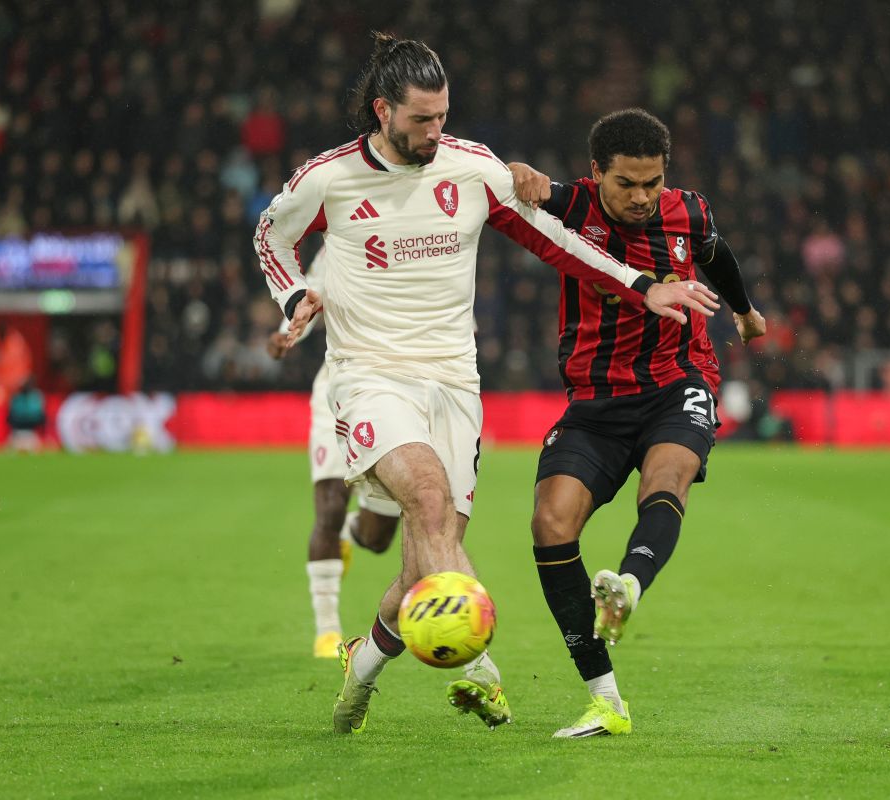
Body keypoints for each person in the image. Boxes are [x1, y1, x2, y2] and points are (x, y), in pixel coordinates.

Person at [254, 34, 715, 735]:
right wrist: (293, 296)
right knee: (428, 498)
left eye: (443, 116)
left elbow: (555, 239)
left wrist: (641, 284)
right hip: (370, 374)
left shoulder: (471, 168)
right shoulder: (329, 178)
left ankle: (362, 666)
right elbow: (270, 236)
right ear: (382, 111)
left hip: (454, 384)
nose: (435, 132)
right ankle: (481, 671)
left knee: (427, 558)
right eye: (421, 120)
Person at [508, 108, 766, 737]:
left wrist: (744, 310)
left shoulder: (688, 211)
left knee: (667, 478)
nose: (643, 197)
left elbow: (716, 252)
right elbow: (509, 188)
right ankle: (605, 700)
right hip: (596, 403)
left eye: (653, 182)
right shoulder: (573, 207)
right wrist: (515, 171)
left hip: (678, 383)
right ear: (596, 172)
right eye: (626, 183)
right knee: (550, 524)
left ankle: (628, 584)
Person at [265, 246, 402, 660]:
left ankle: (348, 533)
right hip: (338, 387)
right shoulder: (342, 238)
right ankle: (327, 631)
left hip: (397, 394)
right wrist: (287, 331)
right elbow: (310, 292)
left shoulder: (427, 235)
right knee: (328, 505)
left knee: (377, 538)